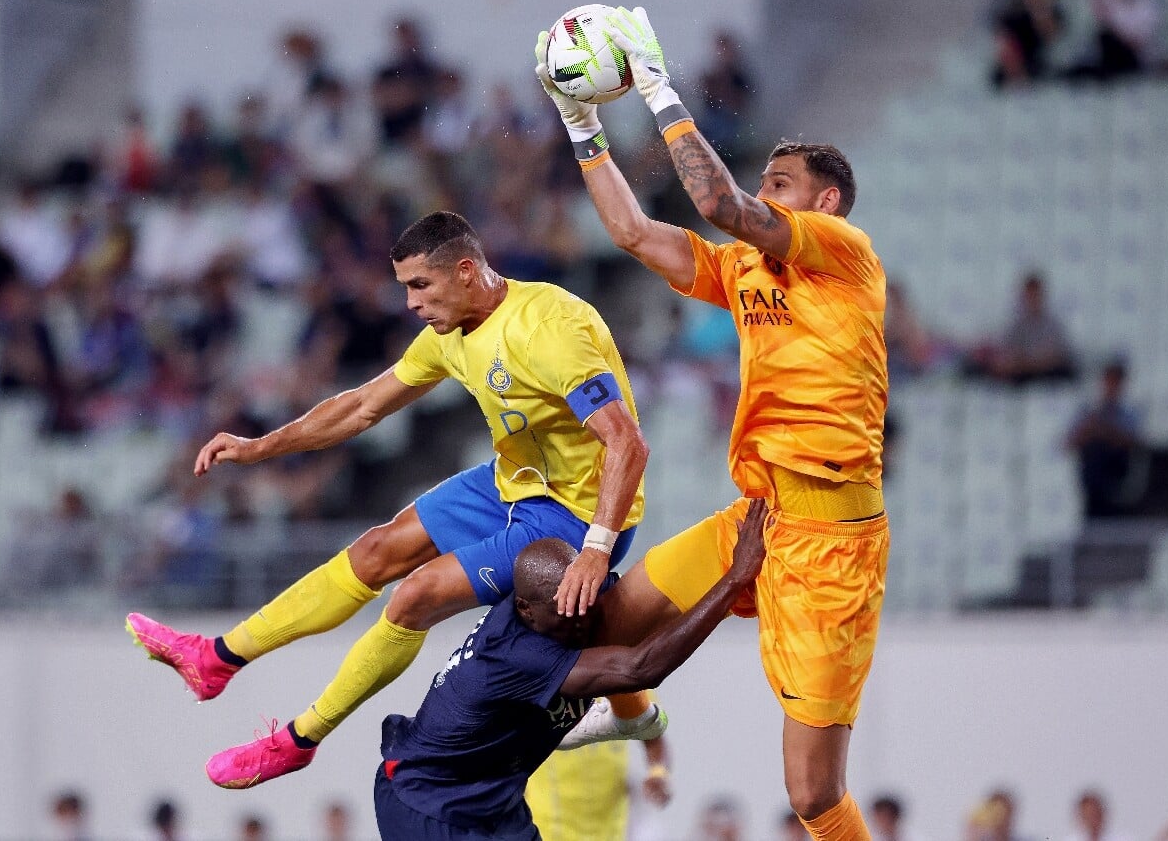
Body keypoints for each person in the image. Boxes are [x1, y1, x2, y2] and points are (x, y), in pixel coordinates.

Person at [127, 210, 659, 788]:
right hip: (514, 481)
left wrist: (597, 549)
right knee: (377, 550)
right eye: (405, 287)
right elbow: (362, 406)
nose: (409, 303)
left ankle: (299, 738)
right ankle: (216, 660)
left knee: (415, 596)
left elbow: (628, 443)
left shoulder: (548, 330)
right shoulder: (448, 335)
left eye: (419, 285)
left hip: (577, 516)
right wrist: (259, 447)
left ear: (465, 272)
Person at [535, 7, 890, 838]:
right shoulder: (744, 270)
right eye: (764, 180)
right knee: (609, 622)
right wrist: (583, 123)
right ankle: (633, 715)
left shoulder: (845, 255)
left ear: (824, 202)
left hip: (835, 544)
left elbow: (720, 202)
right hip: (759, 516)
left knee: (812, 795)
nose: (763, 192)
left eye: (781, 184)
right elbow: (629, 230)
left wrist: (658, 88)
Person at [372, 500, 769, 841]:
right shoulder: (518, 654)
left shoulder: (566, 600)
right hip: (425, 802)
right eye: (565, 616)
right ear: (525, 610)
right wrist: (734, 579)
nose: (580, 621)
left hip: (494, 798)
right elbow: (641, 669)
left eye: (583, 602)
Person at [524, 732, 670, 841]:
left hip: (610, 832)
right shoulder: (541, 692)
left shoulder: (622, 691)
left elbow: (653, 731)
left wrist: (658, 772)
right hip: (549, 831)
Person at [1066, 360, 1146, 517]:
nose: (1111, 386)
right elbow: (1070, 442)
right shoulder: (1088, 411)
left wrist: (1101, 430)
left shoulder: (1131, 412)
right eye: (1109, 380)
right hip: (1092, 475)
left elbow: (1132, 443)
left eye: (1116, 381)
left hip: (1117, 467)